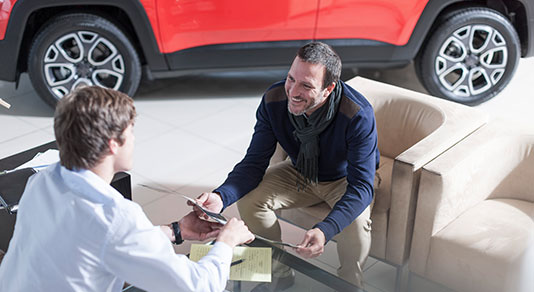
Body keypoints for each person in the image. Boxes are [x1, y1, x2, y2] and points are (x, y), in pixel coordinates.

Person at [0, 86, 254, 292]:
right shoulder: (114, 214)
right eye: (130, 132)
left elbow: (100, 241)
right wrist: (226, 242)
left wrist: (175, 231)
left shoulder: (43, 180)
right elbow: (198, 285)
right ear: (113, 145)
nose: (134, 140)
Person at [196, 42, 379, 290]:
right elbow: (253, 163)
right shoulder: (274, 100)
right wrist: (220, 196)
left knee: (356, 223)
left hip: (344, 179)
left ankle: (349, 283)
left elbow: (361, 187)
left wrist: (325, 230)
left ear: (328, 89)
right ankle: (279, 271)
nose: (293, 90)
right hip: (300, 170)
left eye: (306, 85)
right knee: (250, 200)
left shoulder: (357, 114)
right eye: (291, 78)